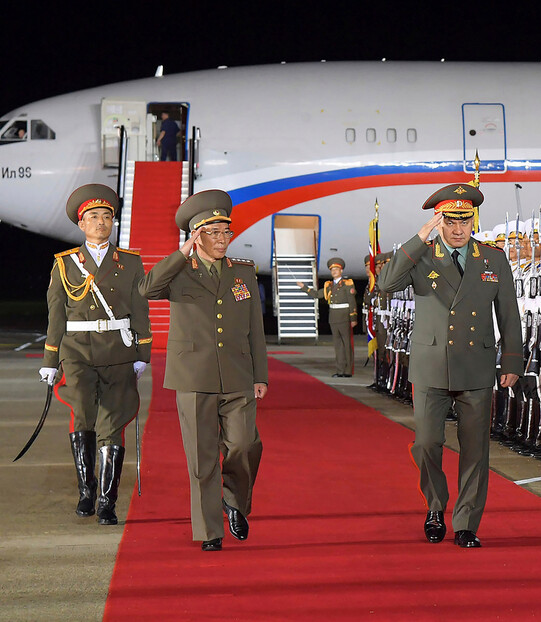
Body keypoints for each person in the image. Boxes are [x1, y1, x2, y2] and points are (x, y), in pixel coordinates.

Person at [377, 181, 522, 548]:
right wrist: (419, 237)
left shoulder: (492, 258)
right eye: (450, 222)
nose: (458, 230)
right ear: (438, 221)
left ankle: (467, 523)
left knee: (476, 448)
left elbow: (509, 314)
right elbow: (386, 283)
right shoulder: (420, 256)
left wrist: (512, 360)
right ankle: (435, 506)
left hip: (476, 364)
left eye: (465, 221)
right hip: (431, 365)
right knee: (426, 443)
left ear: (473, 220)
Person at [139, 190, 268, 552]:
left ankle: (234, 500)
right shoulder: (180, 272)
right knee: (202, 459)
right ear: (196, 236)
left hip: (238, 375)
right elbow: (147, 288)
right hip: (194, 377)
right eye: (214, 233)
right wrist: (181, 254)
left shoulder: (242, 272)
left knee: (245, 445)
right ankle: (210, 531)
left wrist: (261, 375)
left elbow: (255, 328)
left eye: (226, 232)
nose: (223, 240)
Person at [41, 184, 152, 525]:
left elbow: (139, 309)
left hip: (118, 351)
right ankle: (85, 491)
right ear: (81, 224)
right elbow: (56, 314)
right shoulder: (65, 264)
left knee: (112, 422)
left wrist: (142, 352)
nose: (101, 223)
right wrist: (50, 360)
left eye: (107, 217)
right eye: (93, 217)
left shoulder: (130, 262)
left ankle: (107, 501)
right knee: (84, 418)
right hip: (76, 353)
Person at [298, 258, 358, 377]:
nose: (334, 272)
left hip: (344, 316)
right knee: (338, 346)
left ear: (341, 270)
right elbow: (316, 294)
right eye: (332, 270)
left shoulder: (347, 284)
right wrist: (304, 287)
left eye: (336, 269)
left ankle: (348, 371)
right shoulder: (329, 285)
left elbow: (352, 302)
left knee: (347, 345)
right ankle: (340, 370)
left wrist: (353, 318)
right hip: (334, 317)